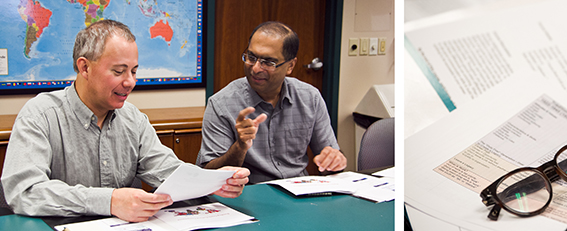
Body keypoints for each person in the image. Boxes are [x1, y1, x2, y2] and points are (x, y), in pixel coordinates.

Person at [0, 20, 249, 222]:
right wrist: (110, 201)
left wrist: (211, 181)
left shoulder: (133, 118)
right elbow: (24, 192)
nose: (130, 82)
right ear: (84, 68)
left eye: (134, 71)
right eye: (119, 71)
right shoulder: (40, 115)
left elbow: (168, 172)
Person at [196, 21, 346, 183]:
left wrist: (335, 160)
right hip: (248, 193)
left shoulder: (310, 97)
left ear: (290, 66)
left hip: (298, 191)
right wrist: (240, 146)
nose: (255, 68)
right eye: (251, 57)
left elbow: (329, 157)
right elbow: (209, 174)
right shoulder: (221, 103)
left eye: (268, 62)